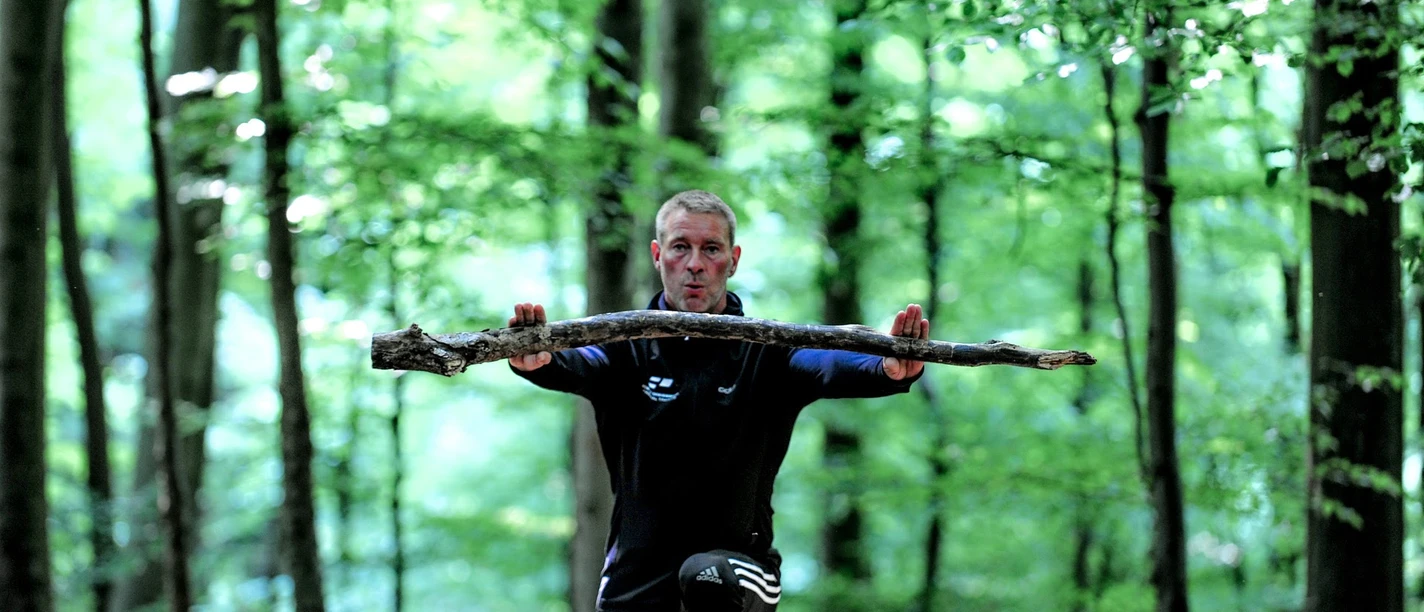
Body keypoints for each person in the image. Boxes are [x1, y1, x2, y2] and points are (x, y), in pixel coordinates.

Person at [508, 189, 928, 611]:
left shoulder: (767, 350)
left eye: (711, 249)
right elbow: (579, 361)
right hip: (634, 582)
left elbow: (827, 362)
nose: (695, 264)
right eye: (680, 247)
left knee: (705, 574)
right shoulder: (625, 349)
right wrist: (540, 359)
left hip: (739, 574)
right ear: (657, 255)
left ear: (733, 259)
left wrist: (886, 367)